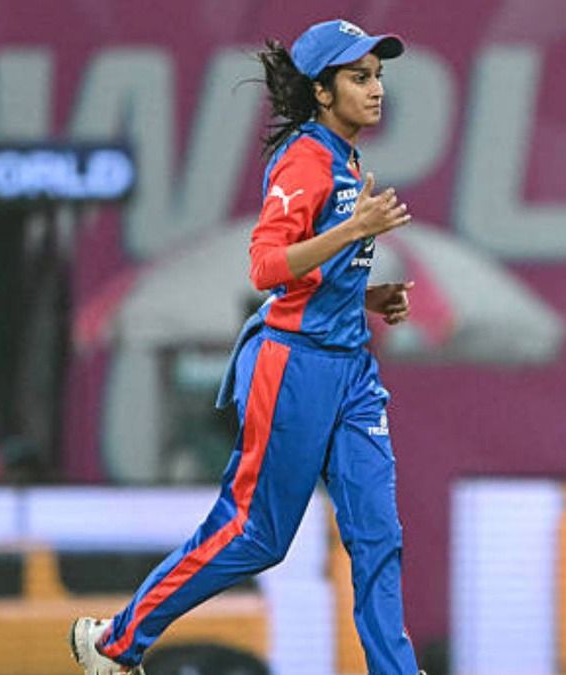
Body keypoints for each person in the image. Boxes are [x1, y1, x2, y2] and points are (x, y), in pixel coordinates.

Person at [70, 18, 425, 675]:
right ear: (322, 92)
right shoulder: (304, 159)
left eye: (378, 76)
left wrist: (368, 296)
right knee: (257, 534)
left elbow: (311, 275)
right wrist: (355, 227)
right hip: (292, 367)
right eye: (359, 77)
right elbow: (265, 266)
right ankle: (114, 643)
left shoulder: (345, 158)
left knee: (378, 535)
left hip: (350, 370)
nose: (377, 90)